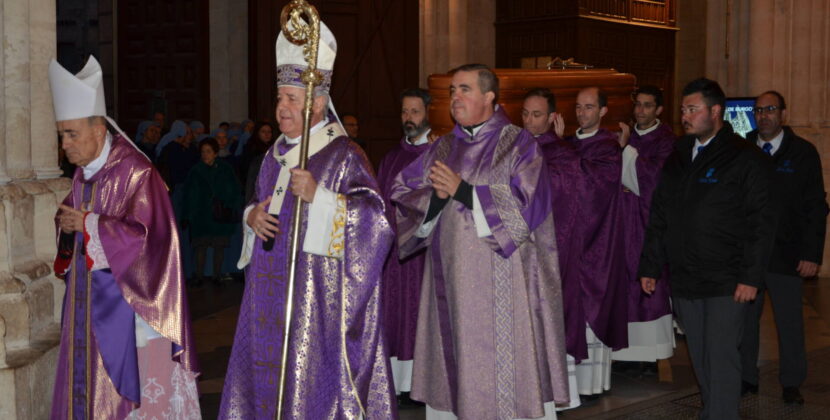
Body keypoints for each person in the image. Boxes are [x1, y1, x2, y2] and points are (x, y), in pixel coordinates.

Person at [218, 20, 397, 419]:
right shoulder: (274, 154)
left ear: (316, 102)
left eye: (291, 98)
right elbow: (256, 200)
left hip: (315, 300)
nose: (281, 107)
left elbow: (377, 223)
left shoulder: (343, 153)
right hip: (267, 296)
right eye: (279, 97)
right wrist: (252, 216)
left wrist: (322, 198)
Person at [391, 63, 570, 419]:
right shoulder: (442, 147)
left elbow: (526, 209)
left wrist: (464, 192)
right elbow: (402, 191)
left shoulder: (519, 144)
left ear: (490, 97)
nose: (455, 97)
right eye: (452, 91)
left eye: (464, 89)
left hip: (504, 283)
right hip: (451, 282)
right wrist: (437, 200)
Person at [49, 56, 200, 418]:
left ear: (99, 132)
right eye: (61, 135)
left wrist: (90, 224)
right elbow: (73, 220)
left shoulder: (137, 172)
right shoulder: (82, 173)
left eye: (72, 134)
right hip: (88, 304)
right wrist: (69, 224)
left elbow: (154, 240)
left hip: (132, 313)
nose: (65, 144)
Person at [639, 78, 776, 419]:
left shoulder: (745, 158)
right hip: (687, 279)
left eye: (692, 109)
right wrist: (650, 266)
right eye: (683, 109)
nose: (685, 116)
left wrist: (751, 277)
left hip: (727, 281)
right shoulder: (679, 156)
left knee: (722, 358)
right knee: (700, 359)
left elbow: (762, 224)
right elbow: (660, 215)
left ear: (716, 112)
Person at [739, 90, 828, 404]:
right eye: (759, 110)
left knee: (790, 323)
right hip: (748, 256)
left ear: (783, 114)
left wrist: (811, 254)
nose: (764, 116)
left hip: (787, 255)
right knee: (745, 323)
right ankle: (746, 378)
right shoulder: (742, 148)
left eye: (770, 109)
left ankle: (792, 382)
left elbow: (816, 207)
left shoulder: (803, 152)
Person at [561, 87, 630, 397]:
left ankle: (591, 385)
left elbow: (593, 191)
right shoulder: (568, 144)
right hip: (568, 243)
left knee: (590, 309)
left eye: (589, 107)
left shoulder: (607, 148)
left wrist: (559, 153)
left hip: (595, 243)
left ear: (603, 111)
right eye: (578, 107)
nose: (582, 113)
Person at [611, 85, 676, 374]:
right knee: (621, 287)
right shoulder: (625, 134)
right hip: (621, 224)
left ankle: (650, 356)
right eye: (637, 105)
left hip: (648, 226)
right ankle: (622, 354)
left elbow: (655, 181)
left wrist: (626, 150)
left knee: (647, 286)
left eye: (648, 106)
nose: (640, 111)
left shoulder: (667, 141)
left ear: (659, 110)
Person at [376, 88, 433, 407]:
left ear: (427, 112)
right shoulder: (390, 159)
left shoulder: (440, 153)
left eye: (414, 111)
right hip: (395, 257)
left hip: (426, 255)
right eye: (404, 112)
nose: (408, 118)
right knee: (396, 315)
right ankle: (397, 382)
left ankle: (422, 382)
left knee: (422, 316)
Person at [183, 137, 243, 286]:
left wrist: (228, 202)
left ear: (215, 153)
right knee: (200, 247)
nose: (205, 155)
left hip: (220, 213)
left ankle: (217, 275)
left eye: (208, 152)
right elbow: (188, 194)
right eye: (203, 152)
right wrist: (186, 214)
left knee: (219, 246)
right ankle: (199, 276)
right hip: (200, 214)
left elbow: (234, 189)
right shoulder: (195, 170)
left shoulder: (225, 169)